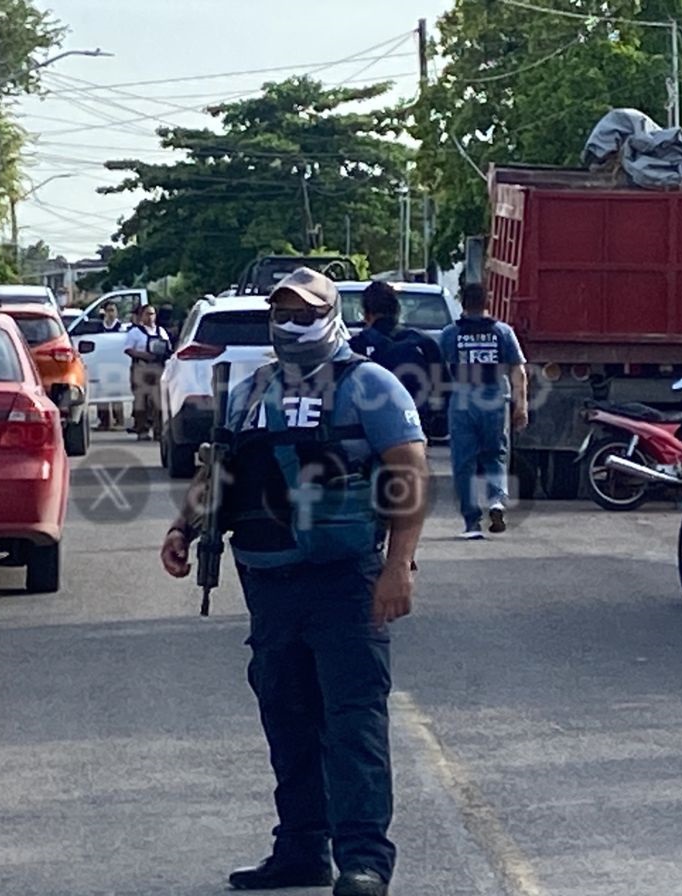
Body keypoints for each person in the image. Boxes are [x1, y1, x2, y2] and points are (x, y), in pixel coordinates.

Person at [161, 267, 429, 896]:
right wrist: (183, 526)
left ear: (332, 315)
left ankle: (362, 861)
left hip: (345, 579)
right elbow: (219, 467)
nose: (291, 322)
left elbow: (409, 471)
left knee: (353, 719)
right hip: (269, 581)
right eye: (282, 311)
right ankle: (301, 850)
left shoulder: (371, 385)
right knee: (287, 715)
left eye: (306, 311)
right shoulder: (251, 388)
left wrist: (398, 566)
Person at [437, 283, 528, 540]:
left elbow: (440, 369)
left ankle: (471, 523)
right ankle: (497, 502)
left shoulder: (450, 334)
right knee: (496, 455)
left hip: (463, 402)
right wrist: (521, 405)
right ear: (487, 302)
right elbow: (517, 370)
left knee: (463, 463)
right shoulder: (502, 332)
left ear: (463, 303)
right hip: (495, 400)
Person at [348, 281, 442, 436]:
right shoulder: (424, 344)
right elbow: (443, 388)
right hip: (413, 429)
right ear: (397, 310)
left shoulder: (353, 348)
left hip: (365, 430)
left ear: (366, 313)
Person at [124, 304, 171, 440]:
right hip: (141, 367)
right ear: (141, 316)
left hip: (158, 368)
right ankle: (142, 430)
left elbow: (168, 347)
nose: (150, 317)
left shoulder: (161, 331)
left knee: (158, 401)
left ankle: (159, 431)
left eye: (152, 314)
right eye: (147, 314)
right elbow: (128, 349)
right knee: (141, 400)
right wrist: (144, 355)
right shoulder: (135, 332)